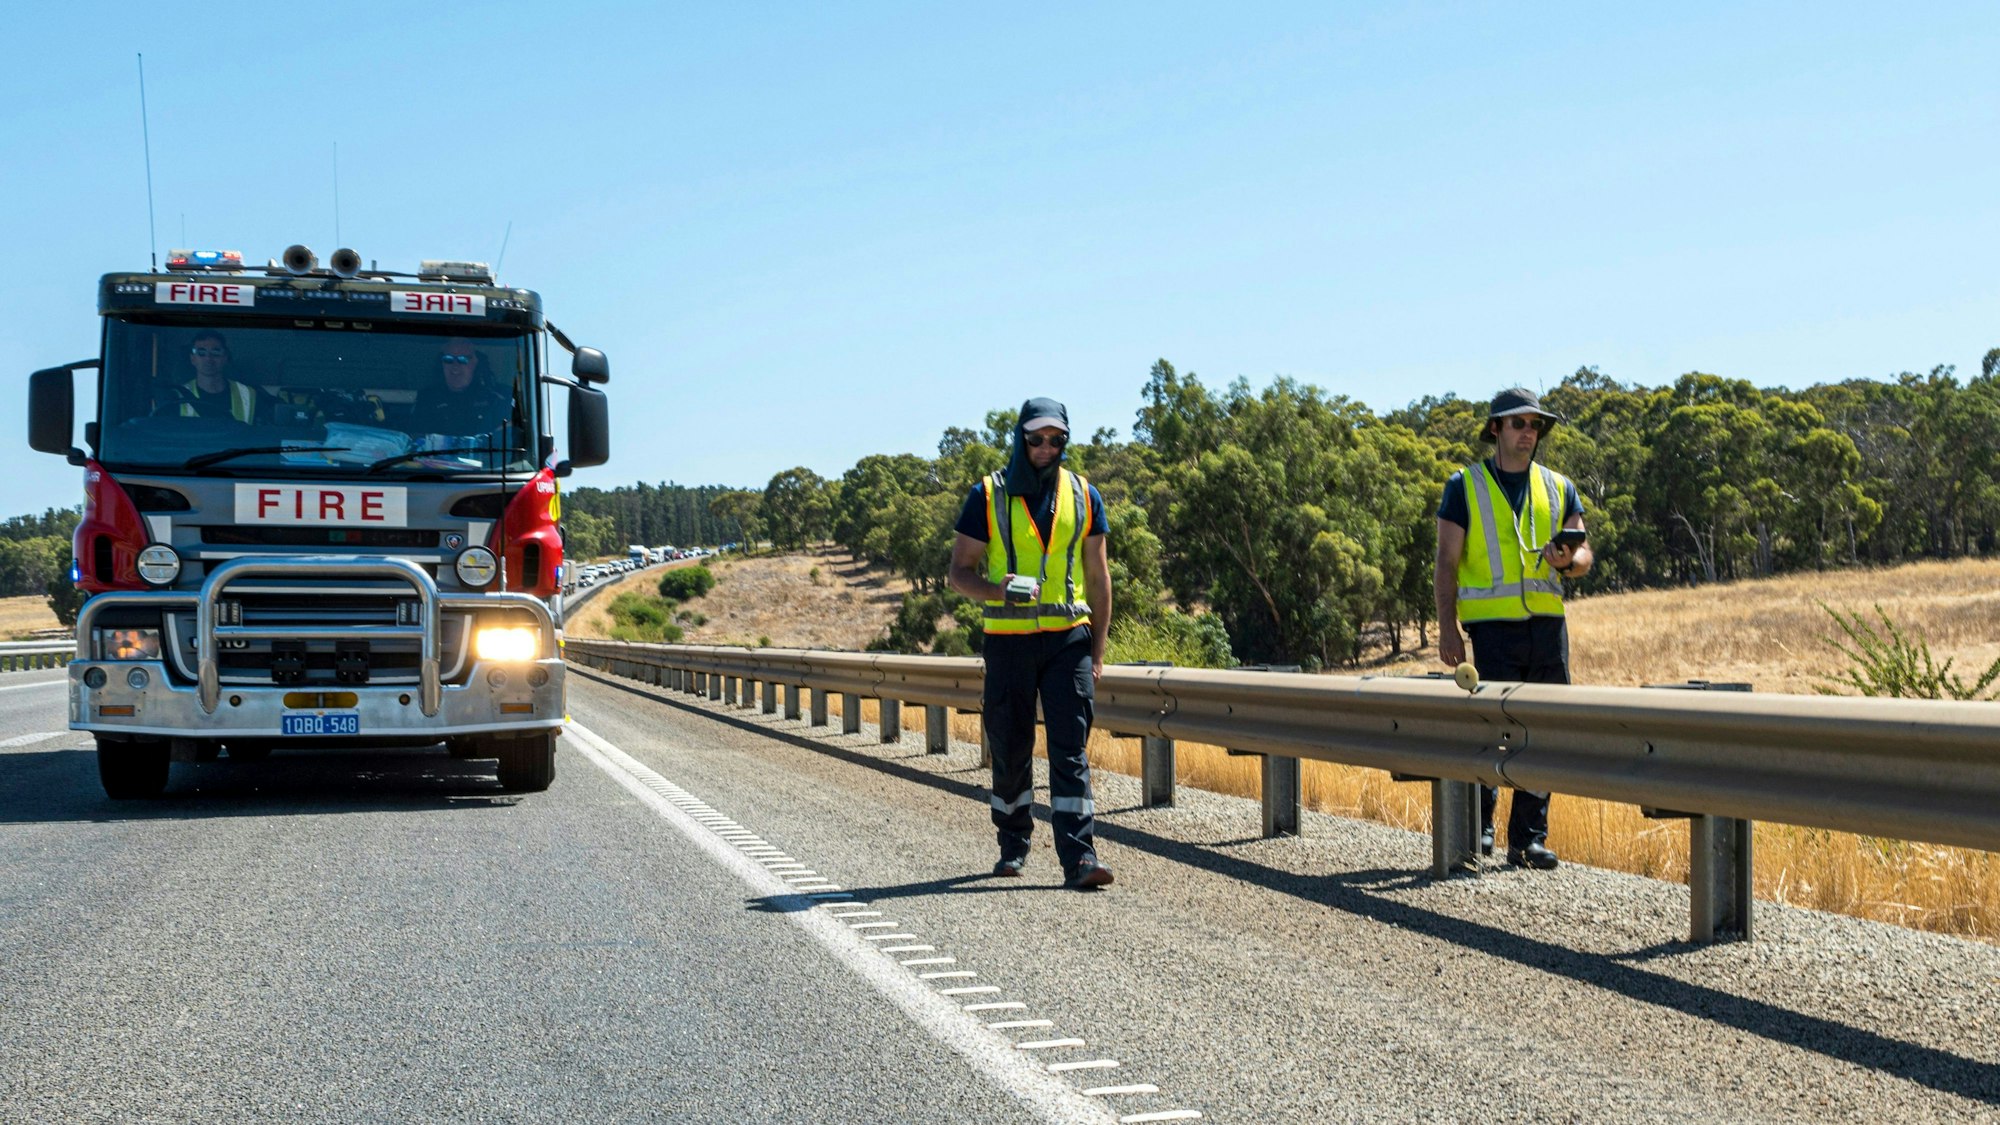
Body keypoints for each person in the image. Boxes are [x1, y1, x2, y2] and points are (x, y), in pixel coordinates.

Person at [947, 398, 1116, 889]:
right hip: (1008, 643)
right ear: (1021, 438)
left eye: (1056, 439)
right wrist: (996, 590)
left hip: (1069, 642)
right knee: (1011, 747)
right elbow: (959, 572)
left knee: (1070, 752)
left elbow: (1098, 576)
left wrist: (1099, 650)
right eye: (1037, 439)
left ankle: (1080, 858)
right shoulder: (987, 495)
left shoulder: (1085, 495)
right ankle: (1013, 844)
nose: (1046, 448)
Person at [1433, 387, 1593, 871]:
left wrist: (1570, 560)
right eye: (1519, 423)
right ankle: (1479, 829)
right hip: (1492, 629)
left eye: (1535, 425)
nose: (1529, 432)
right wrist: (1447, 629)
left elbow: (1584, 555)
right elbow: (1446, 563)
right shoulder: (1465, 485)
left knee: (1543, 730)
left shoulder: (1559, 486)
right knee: (1494, 729)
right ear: (1496, 429)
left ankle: (1529, 840)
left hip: (1548, 627)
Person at [407, 336, 514, 441]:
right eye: (448, 359)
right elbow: (416, 440)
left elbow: (505, 442)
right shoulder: (427, 399)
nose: (455, 366)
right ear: (441, 364)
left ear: (476, 363)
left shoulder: (498, 399)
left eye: (463, 360)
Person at [172, 329, 259, 422]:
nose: (208, 358)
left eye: (215, 352)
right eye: (201, 353)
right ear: (192, 359)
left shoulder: (248, 394)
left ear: (225, 357)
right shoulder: (178, 396)